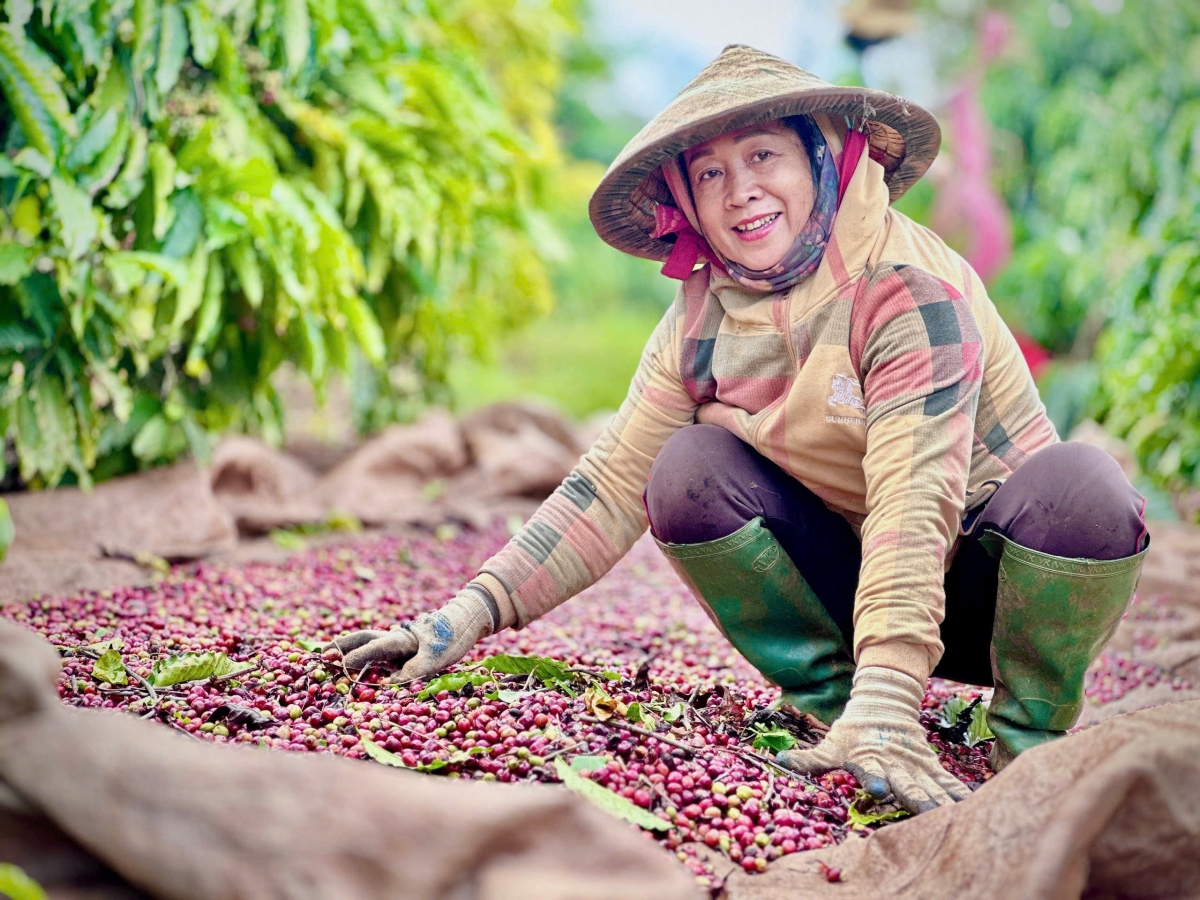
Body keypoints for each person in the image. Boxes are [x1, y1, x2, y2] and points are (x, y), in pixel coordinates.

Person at [333, 45, 1149, 815]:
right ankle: (834, 712)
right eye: (710, 174)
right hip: (852, 588)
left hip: (989, 595)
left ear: (823, 158)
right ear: (687, 201)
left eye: (764, 156)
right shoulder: (701, 317)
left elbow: (915, 500)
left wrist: (894, 697)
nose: (740, 193)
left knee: (1086, 488)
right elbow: (609, 484)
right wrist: (465, 616)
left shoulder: (905, 290)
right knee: (686, 468)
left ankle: (1019, 740)